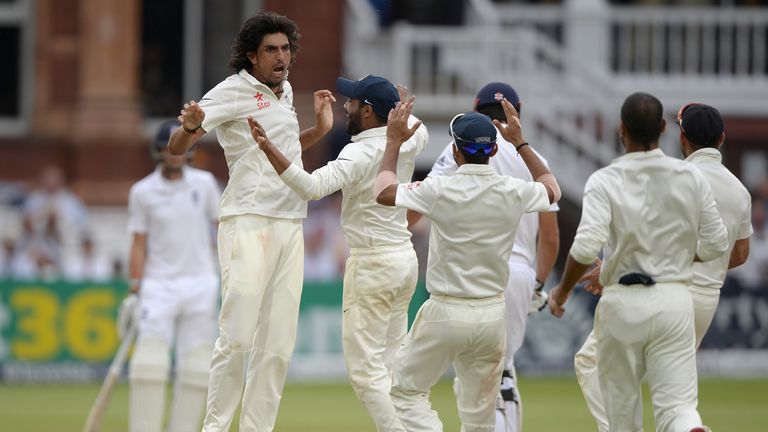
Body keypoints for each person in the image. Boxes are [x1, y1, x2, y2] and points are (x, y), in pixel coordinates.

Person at [167, 11, 334, 432]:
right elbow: (176, 145)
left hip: (290, 223)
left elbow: (283, 151)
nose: (281, 58)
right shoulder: (233, 91)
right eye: (271, 51)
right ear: (251, 57)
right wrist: (188, 127)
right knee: (238, 335)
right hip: (248, 219)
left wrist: (320, 130)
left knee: (277, 346)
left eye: (285, 49)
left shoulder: (286, 91)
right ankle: (216, 427)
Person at [249, 74, 429, 432]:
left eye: (351, 102)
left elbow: (313, 187)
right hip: (404, 260)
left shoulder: (359, 152)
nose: (345, 107)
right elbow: (414, 125)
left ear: (366, 111)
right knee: (391, 364)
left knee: (364, 373)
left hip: (373, 264)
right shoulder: (412, 138)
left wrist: (270, 149)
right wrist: (399, 107)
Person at [376, 98, 560, 431]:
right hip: (492, 315)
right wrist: (520, 142)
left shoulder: (440, 188)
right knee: (480, 418)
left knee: (406, 392)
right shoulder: (512, 190)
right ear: (492, 151)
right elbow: (552, 189)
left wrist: (392, 142)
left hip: (446, 310)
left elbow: (385, 192)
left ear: (456, 152)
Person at [548, 92, 729, 432]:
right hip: (674, 300)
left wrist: (561, 291)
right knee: (677, 407)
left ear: (621, 129)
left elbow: (586, 248)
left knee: (623, 414)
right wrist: (674, 255)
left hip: (623, 302)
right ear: (663, 128)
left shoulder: (605, 180)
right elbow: (718, 244)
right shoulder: (690, 176)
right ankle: (690, 427)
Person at [125, 120, 221, 432]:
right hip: (158, 285)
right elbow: (138, 244)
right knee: (149, 363)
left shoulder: (205, 184)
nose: (175, 155)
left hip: (200, 281)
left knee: (196, 366)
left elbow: (222, 229)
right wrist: (134, 289)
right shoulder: (142, 192)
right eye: (169, 149)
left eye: (180, 149)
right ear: (158, 152)